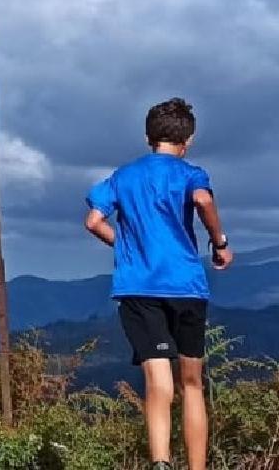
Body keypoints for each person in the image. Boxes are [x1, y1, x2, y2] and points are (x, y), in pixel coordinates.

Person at [85, 98, 233, 470]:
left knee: (158, 383)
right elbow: (201, 200)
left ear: (148, 136)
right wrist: (220, 243)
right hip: (186, 285)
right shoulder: (190, 174)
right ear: (189, 140)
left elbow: (92, 220)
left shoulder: (123, 175)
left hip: (139, 287)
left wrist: (127, 245)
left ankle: (161, 463)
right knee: (192, 385)